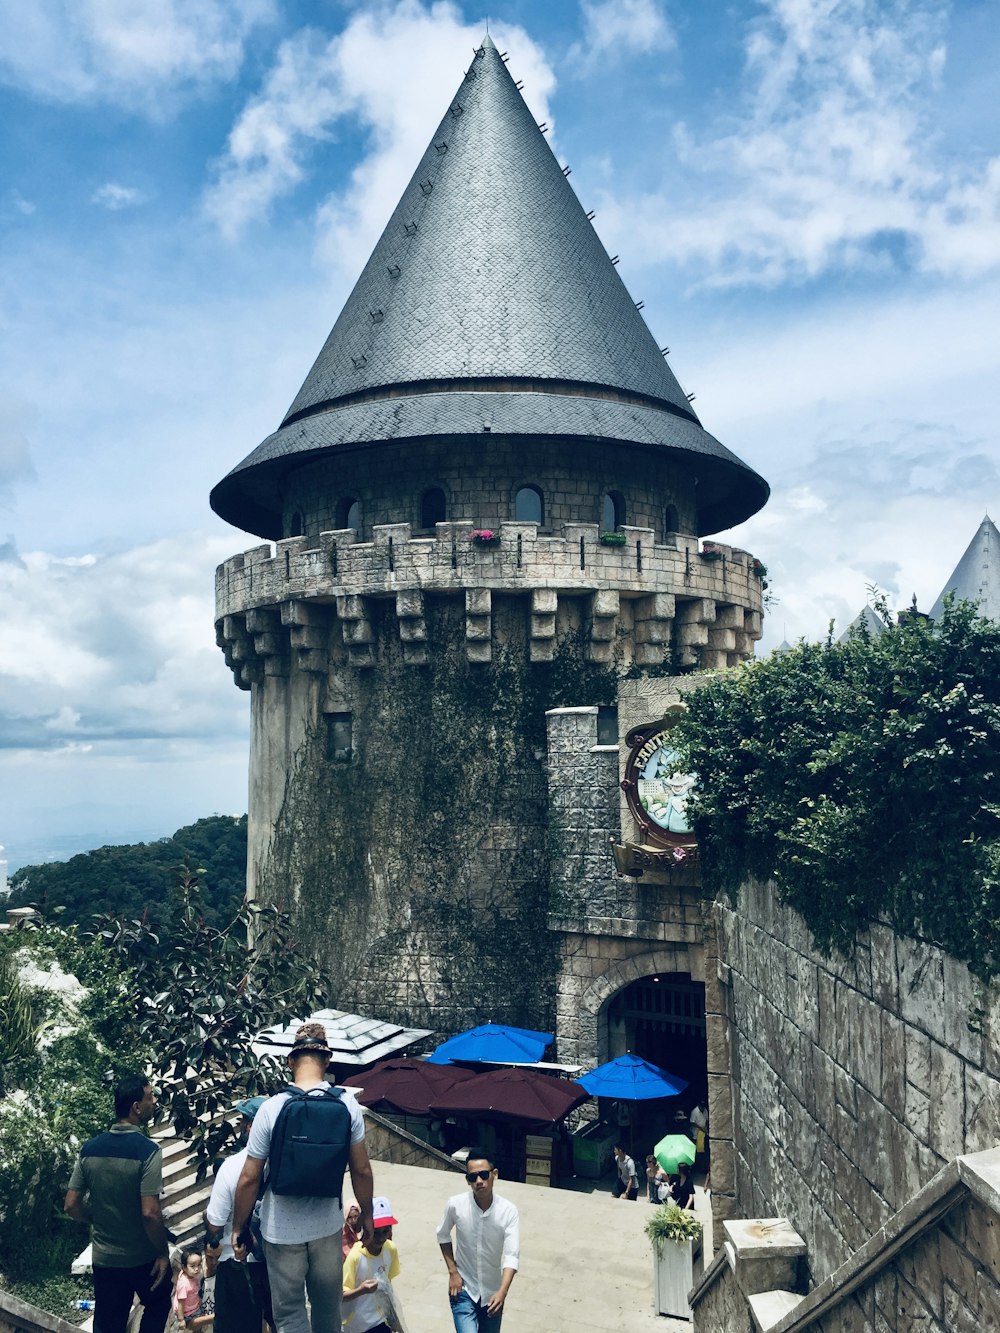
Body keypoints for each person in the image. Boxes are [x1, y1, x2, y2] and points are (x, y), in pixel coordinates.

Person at [231, 1023, 374, 1333]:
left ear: (290, 1061)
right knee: (327, 1311)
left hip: (281, 1231)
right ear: (328, 1060)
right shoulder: (348, 1105)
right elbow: (362, 1170)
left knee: (291, 1314)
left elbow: (248, 1178)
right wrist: (369, 1216)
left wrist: (239, 1227)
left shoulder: (272, 1108)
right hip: (327, 1227)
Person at [64, 1074, 172, 1333]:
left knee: (108, 1325)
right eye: (150, 1097)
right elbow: (150, 1213)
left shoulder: (90, 1149)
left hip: (105, 1260)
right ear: (136, 1107)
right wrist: (162, 1253)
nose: (154, 1102)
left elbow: (71, 1205)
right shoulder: (147, 1151)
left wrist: (96, 1217)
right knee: (157, 1306)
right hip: (142, 1258)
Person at [204, 1095, 272, 1333]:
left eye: (244, 1119)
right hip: (278, 1263)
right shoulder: (283, 1163)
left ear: (251, 1125)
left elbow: (215, 1223)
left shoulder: (232, 1167)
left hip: (236, 1265)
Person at [437, 1149, 519, 1331]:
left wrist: (502, 1292)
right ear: (467, 1180)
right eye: (473, 1177)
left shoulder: (508, 1211)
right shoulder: (455, 1205)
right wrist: (453, 1273)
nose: (479, 1181)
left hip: (493, 1295)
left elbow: (512, 1256)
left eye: (483, 1175)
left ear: (494, 1174)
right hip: (463, 1291)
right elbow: (442, 1234)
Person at [342, 1195, 401, 1333]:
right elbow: (341, 1296)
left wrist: (395, 1321)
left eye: (385, 1231)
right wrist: (361, 1290)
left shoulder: (390, 1249)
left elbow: (388, 1288)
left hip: (380, 1321)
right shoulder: (356, 1256)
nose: (381, 1238)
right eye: (376, 1232)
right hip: (358, 1326)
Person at [172, 1248, 214, 1329]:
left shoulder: (192, 1274)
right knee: (196, 1325)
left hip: (195, 1306)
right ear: (184, 1267)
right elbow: (181, 1303)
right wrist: (181, 1320)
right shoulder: (184, 1284)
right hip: (186, 1313)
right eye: (192, 1266)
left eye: (199, 1265)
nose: (196, 1269)